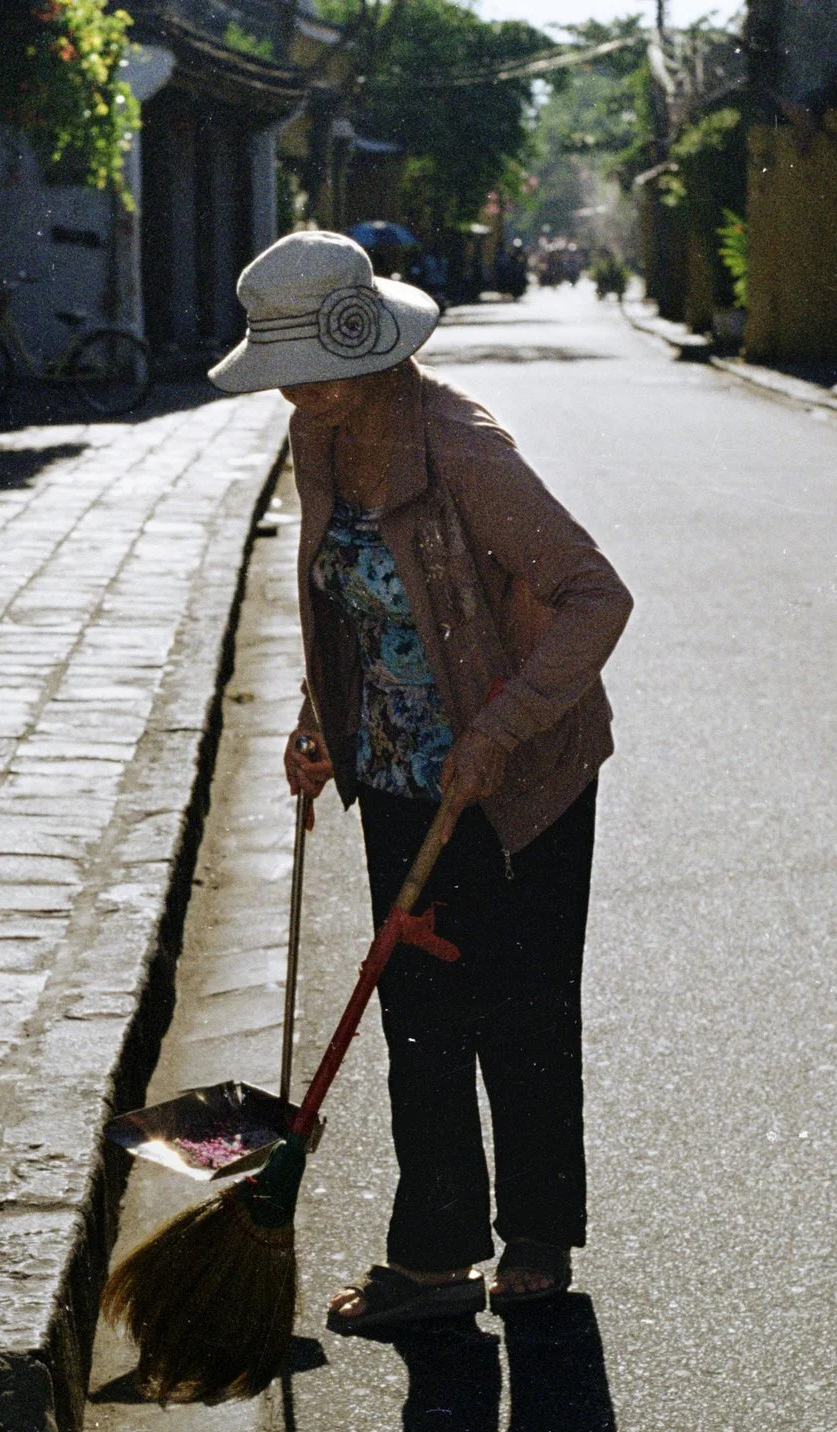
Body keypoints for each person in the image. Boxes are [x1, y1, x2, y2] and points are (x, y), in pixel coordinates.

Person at [208, 231, 632, 1334]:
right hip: (402, 776)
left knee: (522, 1013)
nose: (290, 389)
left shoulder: (461, 446)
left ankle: (536, 1238)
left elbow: (595, 596)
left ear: (363, 347)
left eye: (304, 363)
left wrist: (499, 728)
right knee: (420, 1019)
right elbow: (354, 601)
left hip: (521, 772)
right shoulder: (321, 432)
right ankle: (437, 1256)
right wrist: (319, 722)